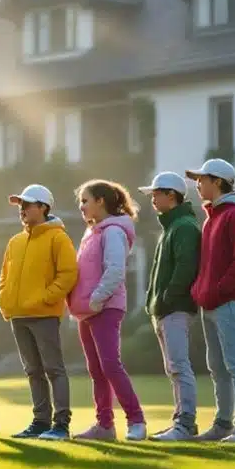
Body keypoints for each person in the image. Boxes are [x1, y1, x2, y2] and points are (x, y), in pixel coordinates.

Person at [66, 179, 148, 442]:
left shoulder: (113, 231)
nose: (81, 206)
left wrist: (96, 299)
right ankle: (104, 426)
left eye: (85, 200)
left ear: (100, 201)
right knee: (96, 369)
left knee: (111, 366)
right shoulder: (92, 232)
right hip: (88, 311)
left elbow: (115, 270)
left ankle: (136, 420)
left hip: (105, 308)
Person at [0, 184, 78, 440]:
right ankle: (41, 422)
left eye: (27, 204)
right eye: (20, 205)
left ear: (43, 207)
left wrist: (45, 299)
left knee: (53, 369)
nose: (22, 209)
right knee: (33, 370)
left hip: (45, 315)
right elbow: (4, 277)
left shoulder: (58, 237)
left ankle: (61, 425)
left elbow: (68, 275)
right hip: (18, 316)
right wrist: (4, 301)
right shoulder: (15, 241)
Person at [185, 158, 235, 443]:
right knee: (217, 367)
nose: (198, 184)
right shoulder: (212, 217)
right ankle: (223, 424)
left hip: (230, 304)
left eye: (202, 179)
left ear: (217, 182)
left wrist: (215, 291)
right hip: (211, 303)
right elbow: (209, 264)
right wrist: (199, 290)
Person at [137, 172, 202, 442]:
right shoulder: (171, 226)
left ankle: (186, 423)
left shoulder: (184, 226)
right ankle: (180, 420)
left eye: (156, 194)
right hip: (165, 309)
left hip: (175, 308)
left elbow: (186, 268)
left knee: (179, 366)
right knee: (173, 367)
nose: (152, 199)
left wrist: (165, 297)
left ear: (171, 195)